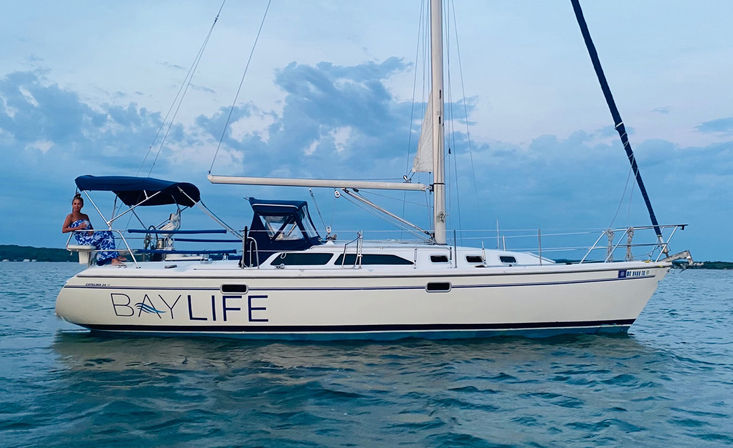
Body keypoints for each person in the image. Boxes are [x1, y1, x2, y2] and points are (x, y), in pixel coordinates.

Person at [62, 193, 125, 265]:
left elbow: (91, 228)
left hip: (90, 237)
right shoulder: (70, 216)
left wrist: (91, 232)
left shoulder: (85, 216)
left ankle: (110, 257)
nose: (76, 206)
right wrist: (77, 228)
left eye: (79, 204)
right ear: (72, 205)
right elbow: (64, 230)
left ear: (82, 205)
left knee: (108, 234)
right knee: (106, 234)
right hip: (83, 240)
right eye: (75, 204)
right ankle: (114, 258)